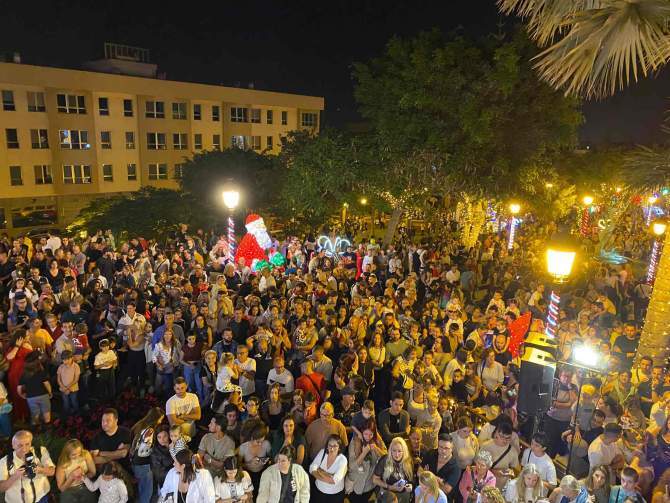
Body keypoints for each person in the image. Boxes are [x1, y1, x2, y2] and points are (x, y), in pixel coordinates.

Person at [0, 430, 55, 503]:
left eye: (27, 444)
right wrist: (14, 476)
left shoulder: (40, 452)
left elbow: (52, 472)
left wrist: (40, 470)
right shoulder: (5, 461)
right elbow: (1, 488)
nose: (24, 449)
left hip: (41, 498)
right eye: (20, 445)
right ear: (13, 446)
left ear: (31, 443)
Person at [347, 417, 387, 503]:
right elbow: (352, 466)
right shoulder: (355, 441)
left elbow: (386, 458)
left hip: (369, 486)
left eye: (371, 434)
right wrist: (364, 453)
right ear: (361, 432)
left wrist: (376, 449)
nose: (368, 437)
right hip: (355, 486)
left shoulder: (377, 441)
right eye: (365, 434)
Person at [372, 437, 415, 503]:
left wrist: (410, 487)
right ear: (390, 450)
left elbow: (411, 480)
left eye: (399, 451)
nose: (396, 454)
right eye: (394, 451)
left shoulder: (408, 461)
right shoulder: (385, 460)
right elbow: (375, 479)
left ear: (404, 451)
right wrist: (390, 487)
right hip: (387, 496)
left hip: (403, 495)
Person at [478, 423, 519, 490]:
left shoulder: (513, 451)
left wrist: (510, 472)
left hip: (501, 488)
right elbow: (477, 466)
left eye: (508, 438)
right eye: (502, 437)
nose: (505, 440)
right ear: (496, 434)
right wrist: (494, 472)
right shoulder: (486, 446)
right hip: (485, 485)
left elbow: (515, 470)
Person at [55, 439, 97, 503]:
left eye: (79, 453)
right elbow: (62, 488)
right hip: (69, 489)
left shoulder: (85, 454)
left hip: (85, 484)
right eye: (73, 454)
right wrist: (71, 477)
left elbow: (93, 473)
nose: (77, 456)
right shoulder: (62, 463)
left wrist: (84, 477)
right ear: (67, 453)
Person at [309, 433, 348, 503]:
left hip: (334, 496)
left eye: (335, 446)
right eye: (330, 445)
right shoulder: (322, 452)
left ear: (339, 447)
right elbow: (311, 468)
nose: (332, 448)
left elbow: (334, 480)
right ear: (327, 446)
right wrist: (327, 475)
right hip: (318, 492)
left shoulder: (343, 460)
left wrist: (320, 471)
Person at [421, 434, 461, 500]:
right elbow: (419, 472)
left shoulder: (456, 467)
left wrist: (428, 476)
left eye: (446, 448)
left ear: (452, 448)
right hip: (424, 496)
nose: (443, 451)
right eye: (441, 447)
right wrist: (439, 481)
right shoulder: (430, 453)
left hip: (441, 499)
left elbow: (446, 490)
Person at [17, 350, 52, 425]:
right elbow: (47, 384)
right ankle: (48, 427)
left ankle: (36, 427)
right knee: (46, 412)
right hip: (43, 394)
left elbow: (19, 388)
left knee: (35, 413)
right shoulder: (41, 372)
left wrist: (21, 395)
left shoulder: (24, 375)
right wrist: (50, 392)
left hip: (31, 397)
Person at [238, 424, 272, 498]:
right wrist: (249, 463)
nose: (260, 444)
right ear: (252, 438)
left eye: (262, 441)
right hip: (249, 475)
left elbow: (271, 459)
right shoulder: (243, 447)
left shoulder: (266, 444)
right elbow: (239, 464)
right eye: (258, 441)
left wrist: (265, 461)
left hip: (263, 473)